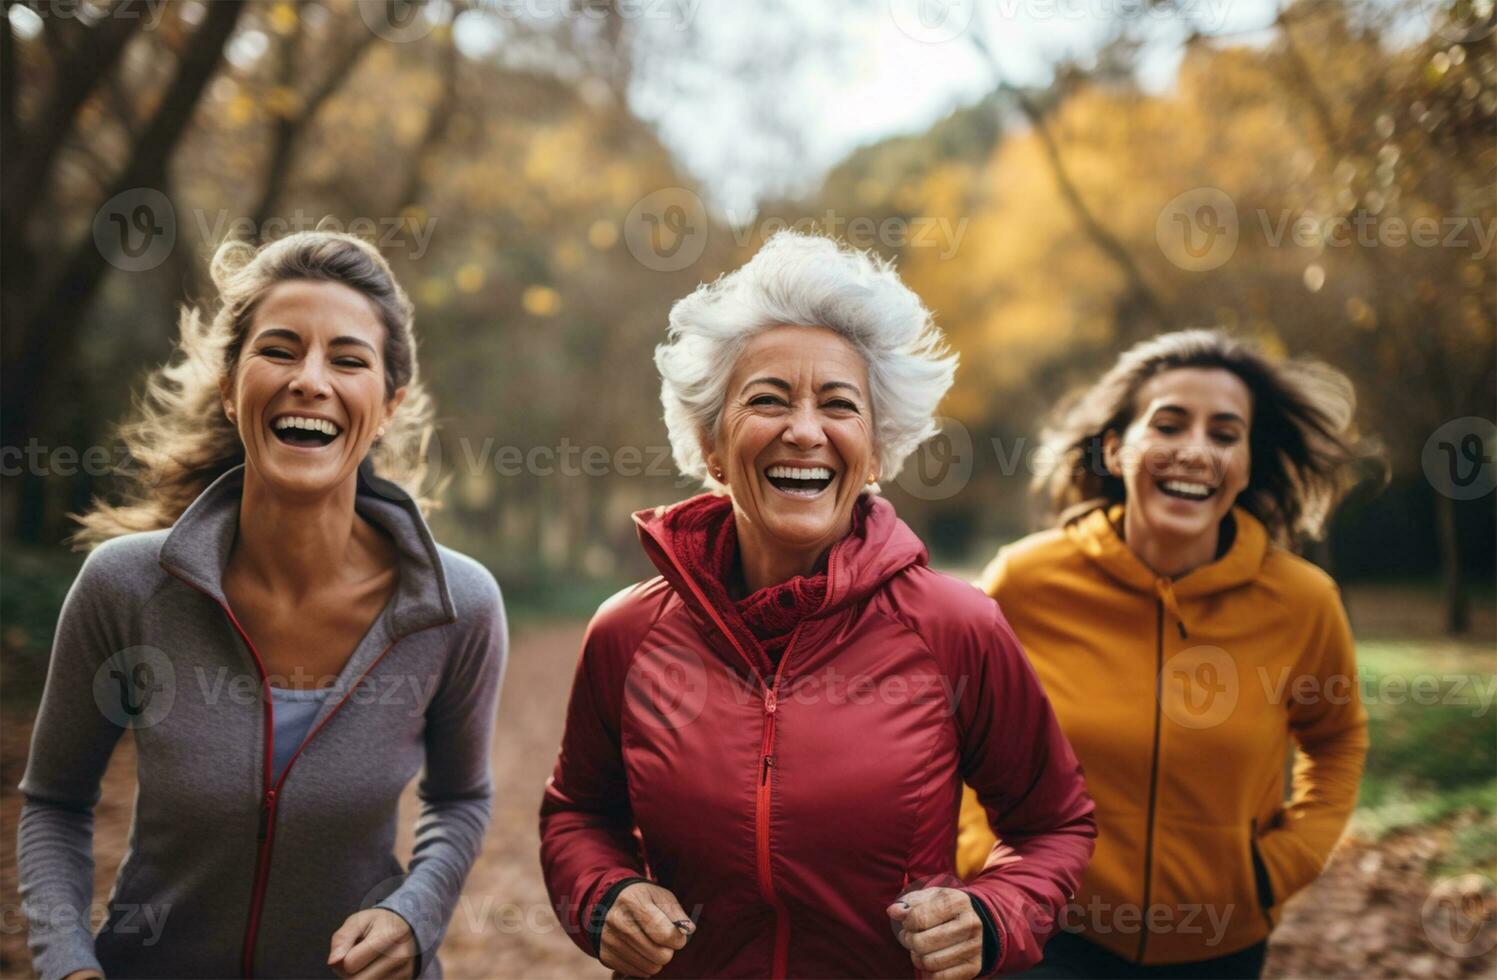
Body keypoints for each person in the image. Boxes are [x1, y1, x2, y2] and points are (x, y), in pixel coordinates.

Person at [539, 231, 1097, 979]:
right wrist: (602, 897)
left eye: (839, 405)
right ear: (710, 445)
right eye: (767, 399)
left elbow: (1053, 825)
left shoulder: (955, 628)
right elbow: (577, 813)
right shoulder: (628, 632)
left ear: (874, 452)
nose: (804, 431)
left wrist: (993, 916)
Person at [17, 232, 507, 979]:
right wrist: (67, 964)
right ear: (228, 386)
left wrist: (415, 912)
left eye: (347, 360)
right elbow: (54, 801)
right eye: (279, 350)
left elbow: (461, 796)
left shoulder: (454, 605)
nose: (310, 380)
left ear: (387, 406)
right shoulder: (127, 588)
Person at [957, 329, 1371, 978]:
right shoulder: (1024, 582)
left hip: (1219, 945)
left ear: (1245, 464)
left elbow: (1337, 740)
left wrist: (1278, 867)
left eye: (1224, 434)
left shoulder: (1303, 601)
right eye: (1169, 425)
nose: (1195, 451)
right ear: (1116, 447)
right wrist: (986, 860)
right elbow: (952, 734)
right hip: (1046, 935)